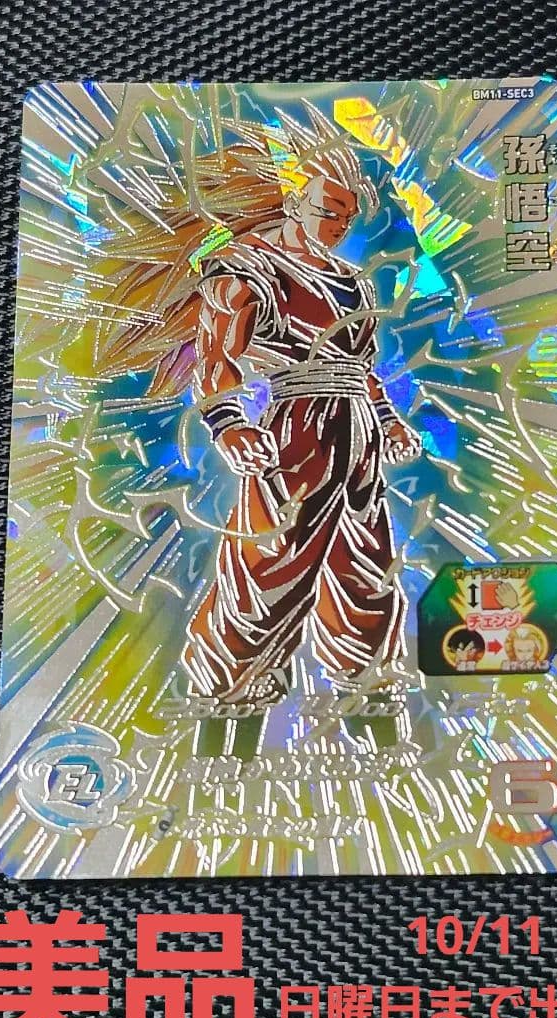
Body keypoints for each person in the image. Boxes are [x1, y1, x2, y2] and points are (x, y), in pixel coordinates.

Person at [99, 106, 420, 707]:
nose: (338, 227)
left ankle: (365, 672)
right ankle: (227, 677)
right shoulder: (247, 270)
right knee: (273, 553)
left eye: (347, 217)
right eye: (328, 211)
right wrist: (229, 426)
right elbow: (216, 357)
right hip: (296, 427)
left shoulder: (353, 280)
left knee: (366, 555)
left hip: (357, 431)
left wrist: (387, 418)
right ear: (295, 202)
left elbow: (361, 368)